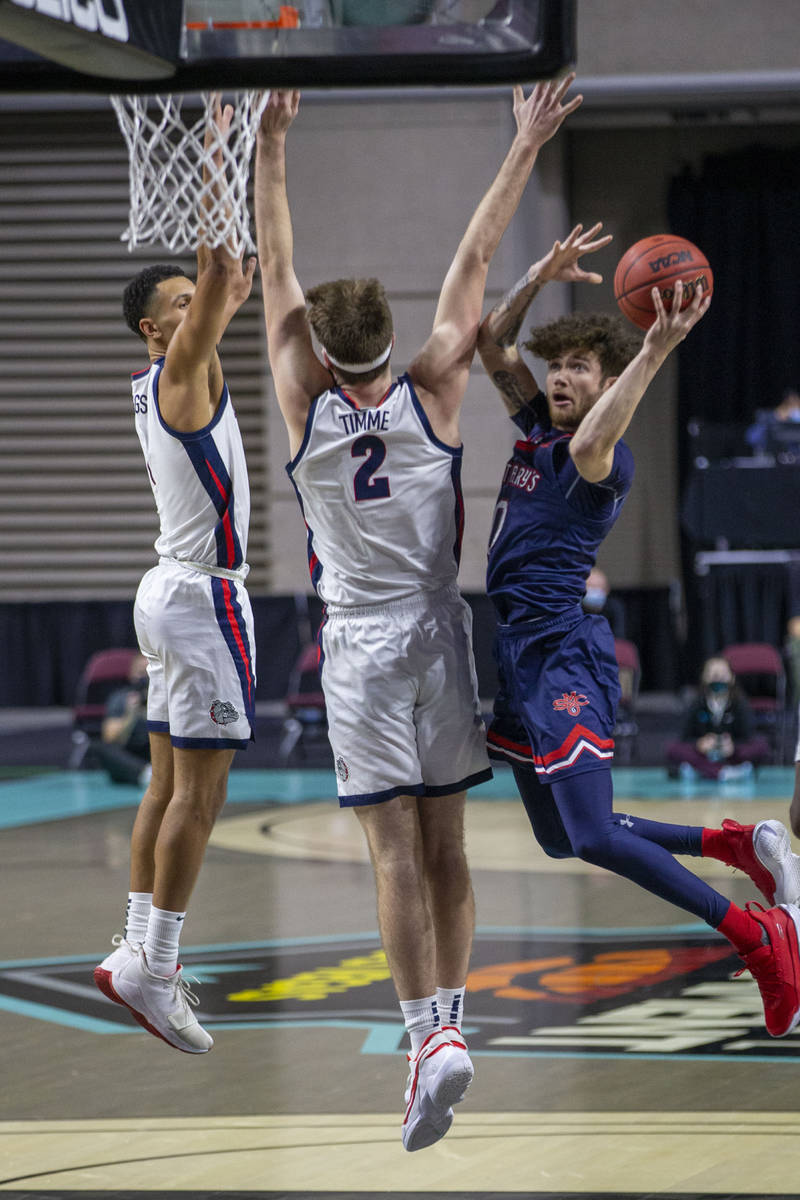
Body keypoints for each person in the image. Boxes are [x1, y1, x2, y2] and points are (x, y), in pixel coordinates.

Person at [254, 77, 582, 1150]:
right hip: (441, 630)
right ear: (386, 344)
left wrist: (268, 147)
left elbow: (278, 272)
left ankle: (419, 1043)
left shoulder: (301, 400)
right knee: (447, 847)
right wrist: (522, 141)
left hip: (356, 644)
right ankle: (452, 1024)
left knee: (390, 855)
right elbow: (477, 258)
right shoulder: (434, 382)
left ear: (318, 353)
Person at [477, 227, 800, 1040]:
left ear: (610, 381)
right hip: (515, 659)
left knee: (590, 829)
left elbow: (593, 440)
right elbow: (489, 339)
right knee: (561, 839)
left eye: (579, 368)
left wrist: (656, 348)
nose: (557, 378)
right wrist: (540, 273)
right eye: (555, 366)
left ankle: (758, 935)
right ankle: (737, 842)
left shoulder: (602, 460)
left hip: (562, 654)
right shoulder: (538, 429)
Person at [93, 97, 258, 1054]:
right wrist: (219, 145)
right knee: (200, 793)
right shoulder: (180, 373)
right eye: (183, 306)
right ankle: (156, 966)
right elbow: (222, 268)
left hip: (169, 591)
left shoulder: (174, 376)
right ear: (158, 331)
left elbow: (229, 279)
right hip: (202, 596)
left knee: (163, 786)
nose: (201, 308)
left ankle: (136, 947)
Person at [665, 654, 771, 782]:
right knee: (673, 748)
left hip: (730, 755)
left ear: (732, 678)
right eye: (713, 675)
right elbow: (683, 737)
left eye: (722, 674)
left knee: (761, 746)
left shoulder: (740, 703)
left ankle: (703, 772)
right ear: (704, 678)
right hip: (704, 754)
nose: (718, 679)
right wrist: (699, 744)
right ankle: (724, 773)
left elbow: (749, 736)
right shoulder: (696, 703)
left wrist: (733, 747)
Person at [94, 652, 152, 788]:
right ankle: (146, 774)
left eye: (148, 673)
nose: (144, 678)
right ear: (131, 675)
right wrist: (130, 715)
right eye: (140, 673)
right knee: (101, 748)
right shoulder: (120, 698)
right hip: (131, 751)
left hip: (156, 748)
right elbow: (111, 739)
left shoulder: (164, 698)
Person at [745, 387, 800, 456]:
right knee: (758, 430)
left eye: (795, 400)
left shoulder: (796, 412)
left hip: (793, 444)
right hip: (777, 439)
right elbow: (752, 438)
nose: (793, 403)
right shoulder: (778, 413)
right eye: (791, 401)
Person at [581, 565, 625, 638]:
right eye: (590, 586)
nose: (594, 591)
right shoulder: (574, 609)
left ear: (607, 590)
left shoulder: (614, 608)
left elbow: (619, 638)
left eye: (597, 587)